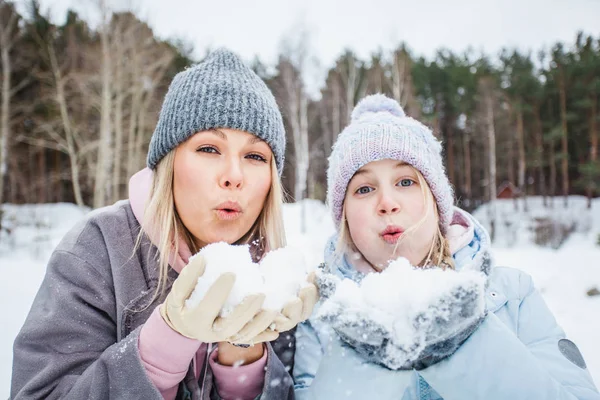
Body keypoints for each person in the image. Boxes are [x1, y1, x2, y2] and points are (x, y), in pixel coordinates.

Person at [11, 48, 317, 400]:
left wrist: (243, 360)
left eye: (254, 156)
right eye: (209, 149)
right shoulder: (96, 250)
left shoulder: (277, 281)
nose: (234, 176)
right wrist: (164, 345)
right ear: (168, 163)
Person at [293, 93, 600, 399]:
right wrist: (366, 352)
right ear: (343, 215)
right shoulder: (320, 319)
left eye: (405, 182)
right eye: (364, 188)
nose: (387, 203)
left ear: (438, 202)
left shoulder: (511, 295)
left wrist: (461, 342)